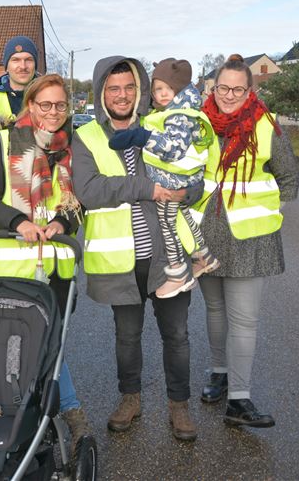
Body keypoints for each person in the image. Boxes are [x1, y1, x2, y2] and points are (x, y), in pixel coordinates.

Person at [71, 57, 203, 442]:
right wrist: (147, 188)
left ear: (140, 89)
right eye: (114, 88)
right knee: (126, 337)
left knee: (176, 335)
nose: (122, 95)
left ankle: (179, 406)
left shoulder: (162, 124)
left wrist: (187, 191)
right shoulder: (87, 137)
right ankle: (130, 399)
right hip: (120, 260)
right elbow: (89, 191)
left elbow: (195, 170)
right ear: (101, 93)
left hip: (168, 255)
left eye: (129, 87)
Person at [0, 74, 92, 451]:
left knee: (51, 344)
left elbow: (80, 200)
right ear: (30, 105)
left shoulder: (75, 146)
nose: (53, 113)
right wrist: (17, 222)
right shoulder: (3, 143)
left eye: (60, 106)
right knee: (11, 342)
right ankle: (13, 412)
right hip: (13, 268)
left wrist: (63, 222)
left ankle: (70, 414)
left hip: (56, 268)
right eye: (45, 105)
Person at [195, 53, 299, 428]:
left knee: (243, 320)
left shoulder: (266, 126)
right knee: (215, 310)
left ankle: (239, 399)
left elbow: (289, 178)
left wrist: (266, 214)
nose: (229, 95)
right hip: (205, 234)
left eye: (237, 89)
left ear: (249, 91)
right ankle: (219, 374)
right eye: (223, 87)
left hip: (250, 239)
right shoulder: (198, 124)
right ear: (213, 87)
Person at [108, 58, 219, 298]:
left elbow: (174, 149)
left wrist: (142, 137)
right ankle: (203, 256)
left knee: (168, 225)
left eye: (168, 88)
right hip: (182, 178)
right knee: (184, 217)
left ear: (180, 89)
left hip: (172, 181)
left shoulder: (179, 115)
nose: (163, 94)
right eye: (158, 89)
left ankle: (178, 273)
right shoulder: (179, 111)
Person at [0, 35, 39, 135]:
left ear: (35, 65)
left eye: (28, 60)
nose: (23, 66)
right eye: (15, 60)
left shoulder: (49, 97)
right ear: (7, 67)